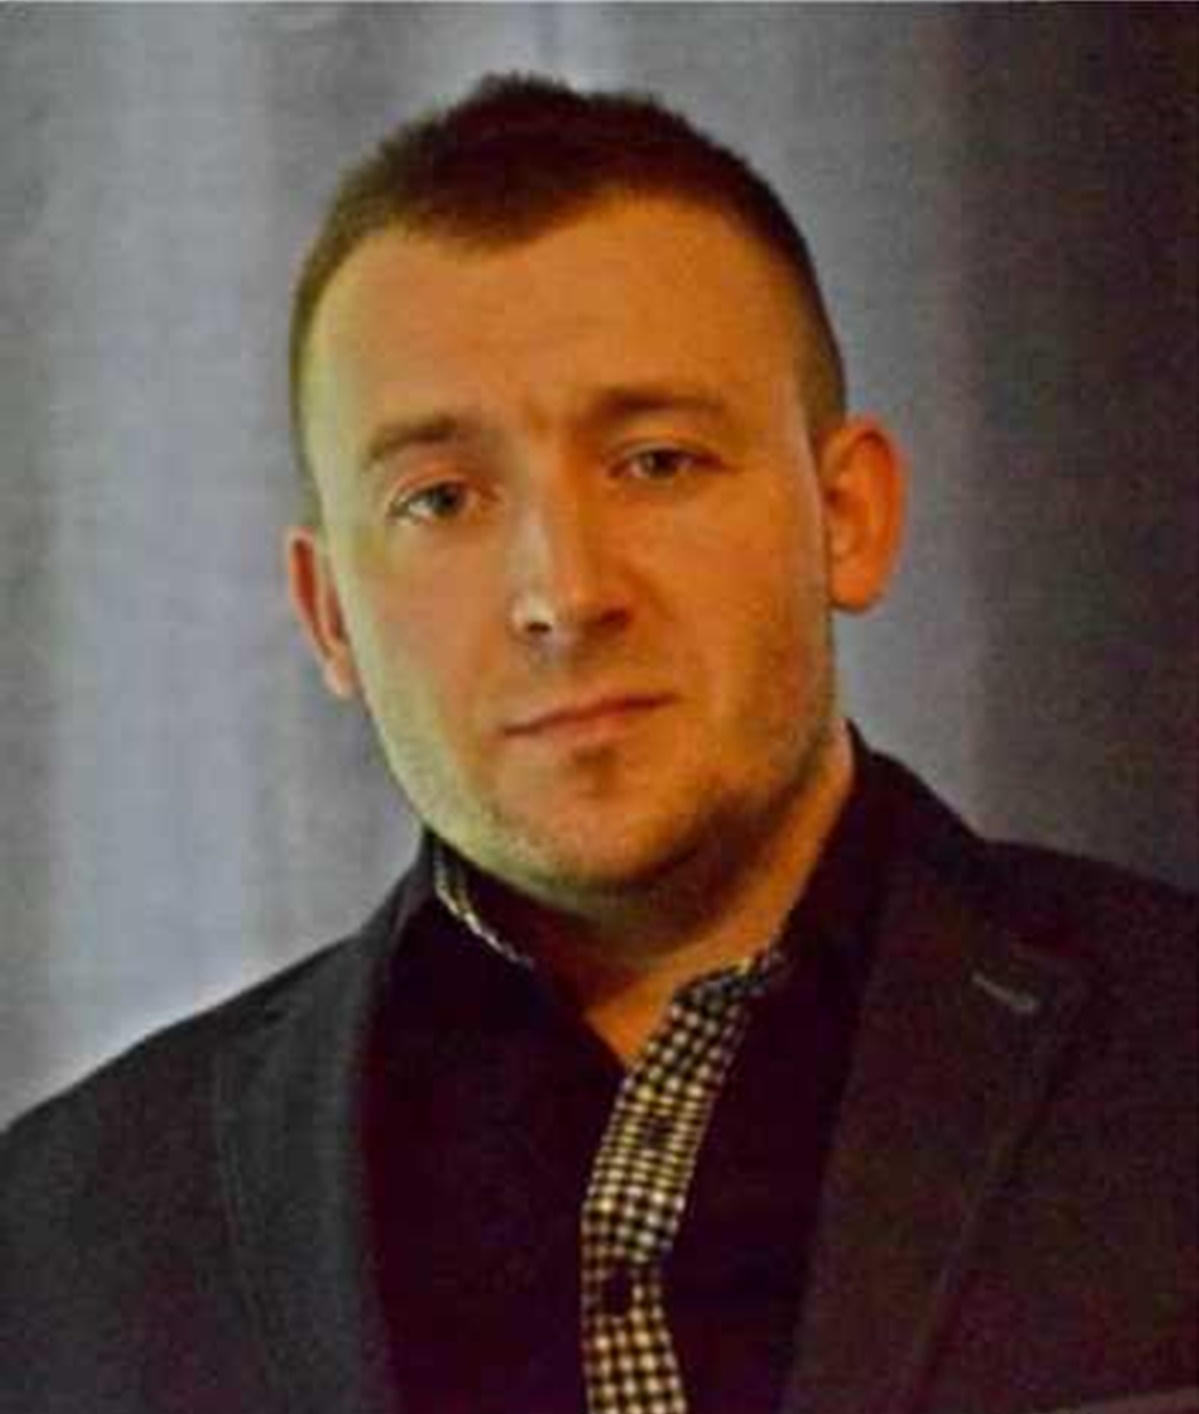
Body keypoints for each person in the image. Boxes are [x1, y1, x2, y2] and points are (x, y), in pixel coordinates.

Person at [1, 74, 1195, 1414]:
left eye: (656, 462)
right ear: (330, 614)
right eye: (439, 498)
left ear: (847, 517)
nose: (564, 592)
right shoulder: (56, 1246)